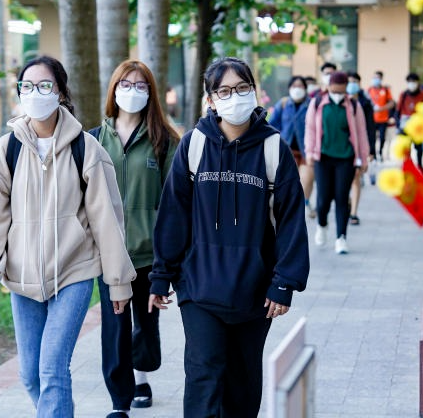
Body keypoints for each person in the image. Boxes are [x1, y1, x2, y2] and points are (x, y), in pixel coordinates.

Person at [0, 56, 136, 417]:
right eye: (27, 86)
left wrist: (118, 281)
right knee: (30, 375)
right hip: (22, 277)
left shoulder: (86, 149)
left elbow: (108, 219)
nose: (35, 93)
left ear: (60, 92)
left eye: (45, 86)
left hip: (72, 273)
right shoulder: (7, 149)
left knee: (52, 369)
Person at [149, 57, 310, 418]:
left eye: (242, 88)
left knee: (242, 385)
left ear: (254, 92)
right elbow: (174, 213)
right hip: (200, 288)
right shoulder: (194, 146)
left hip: (255, 292)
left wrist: (284, 283)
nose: (234, 96)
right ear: (211, 100)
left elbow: (290, 221)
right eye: (224, 90)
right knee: (203, 377)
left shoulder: (273, 148)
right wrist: (162, 275)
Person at [91, 60, 179, 418]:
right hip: (107, 254)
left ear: (151, 93)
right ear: (113, 90)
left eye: (141, 85)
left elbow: (175, 203)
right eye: (125, 84)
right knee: (115, 327)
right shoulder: (94, 139)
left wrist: (170, 258)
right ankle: (119, 401)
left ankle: (142, 375)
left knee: (145, 325)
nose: (132, 91)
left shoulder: (165, 141)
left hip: (149, 253)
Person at [305, 71, 370, 254]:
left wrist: (363, 158)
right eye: (335, 90)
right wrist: (309, 152)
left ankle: (341, 238)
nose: (338, 94)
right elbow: (310, 128)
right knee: (324, 197)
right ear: (329, 87)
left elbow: (361, 132)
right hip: (322, 157)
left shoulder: (353, 106)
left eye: (342, 91)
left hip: (346, 158)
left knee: (342, 198)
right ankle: (322, 224)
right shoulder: (317, 103)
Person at [269, 75, 316, 218]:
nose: (297, 89)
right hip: (287, 150)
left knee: (306, 179)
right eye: (294, 86)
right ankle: (287, 207)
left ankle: (305, 203)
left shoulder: (312, 105)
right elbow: (271, 125)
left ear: (306, 89)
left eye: (300, 86)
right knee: (287, 182)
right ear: (289, 88)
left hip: (307, 151)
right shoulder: (283, 104)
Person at [346, 72, 375, 226]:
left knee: (356, 179)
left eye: (354, 81)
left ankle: (354, 213)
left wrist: (370, 151)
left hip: (358, 147)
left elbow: (369, 128)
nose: (351, 84)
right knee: (344, 182)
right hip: (343, 147)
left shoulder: (365, 103)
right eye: (349, 81)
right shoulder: (340, 102)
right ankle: (348, 201)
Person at [397, 72, 423, 175]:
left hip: (418, 125)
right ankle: (407, 166)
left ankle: (420, 165)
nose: (411, 84)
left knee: (419, 148)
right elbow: (398, 110)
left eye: (413, 82)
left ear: (418, 83)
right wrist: (398, 124)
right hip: (405, 124)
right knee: (406, 147)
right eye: (409, 82)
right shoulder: (404, 94)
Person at [367, 70, 396, 162]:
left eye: (377, 78)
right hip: (372, 119)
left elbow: (392, 103)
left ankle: (380, 152)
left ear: (381, 79)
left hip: (383, 118)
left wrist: (382, 108)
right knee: (372, 138)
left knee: (382, 138)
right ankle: (374, 155)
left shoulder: (386, 90)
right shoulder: (369, 90)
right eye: (374, 77)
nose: (376, 79)